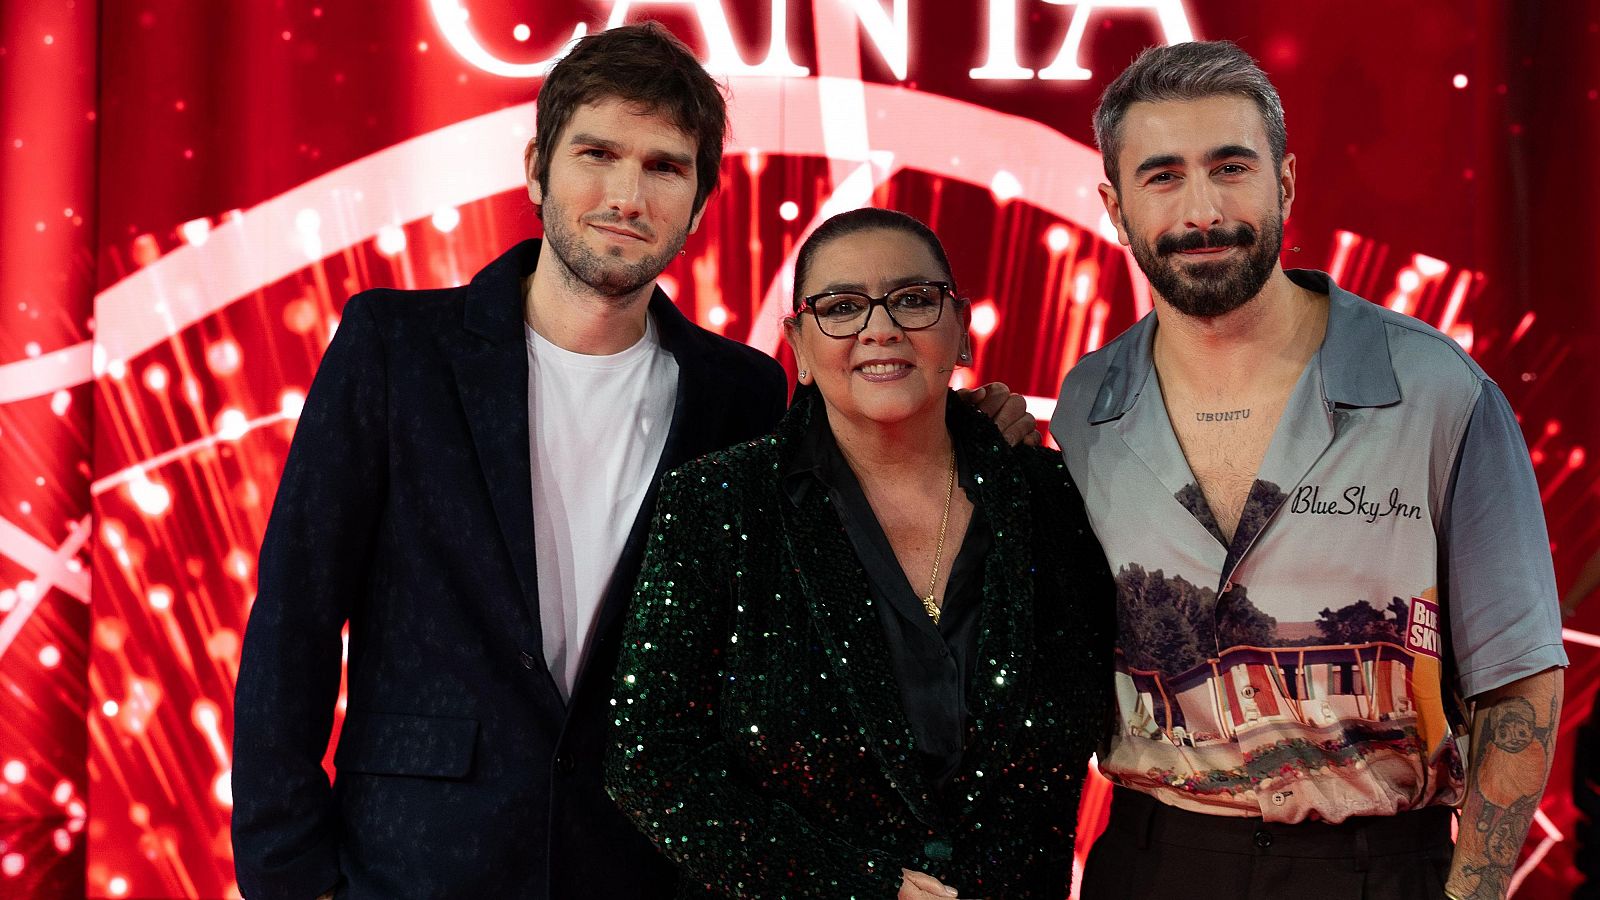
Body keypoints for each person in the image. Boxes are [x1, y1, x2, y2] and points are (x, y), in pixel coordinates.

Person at [231, 24, 1035, 900]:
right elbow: (293, 622)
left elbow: (864, 471)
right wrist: (289, 879)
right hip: (411, 863)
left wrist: (974, 427)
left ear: (697, 204)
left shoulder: (741, 394)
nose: (626, 194)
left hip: (642, 868)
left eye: (664, 166)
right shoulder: (395, 349)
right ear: (537, 166)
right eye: (598, 154)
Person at [1049, 40, 1567, 900]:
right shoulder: (1085, 406)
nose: (1202, 209)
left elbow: (1518, 683)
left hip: (1380, 866)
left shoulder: (1437, 392)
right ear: (1114, 204)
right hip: (1150, 862)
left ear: (1285, 182)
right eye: (1163, 176)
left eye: (1231, 167)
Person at [606, 207, 1113, 899]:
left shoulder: (1052, 500)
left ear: (959, 329)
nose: (882, 327)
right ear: (800, 346)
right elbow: (649, 760)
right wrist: (855, 884)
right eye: (842, 306)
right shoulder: (717, 504)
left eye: (913, 299)